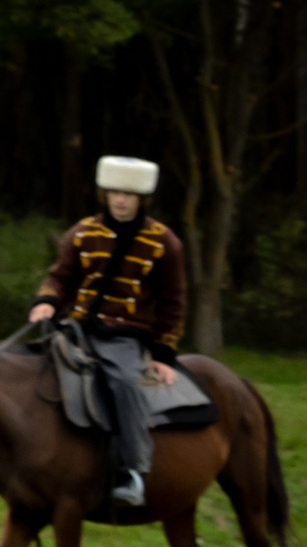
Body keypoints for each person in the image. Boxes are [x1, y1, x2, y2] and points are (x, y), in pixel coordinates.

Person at [29, 155, 189, 507]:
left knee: (123, 383)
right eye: (114, 192)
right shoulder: (83, 232)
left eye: (128, 194)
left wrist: (163, 354)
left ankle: (133, 470)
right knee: (30, 365)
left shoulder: (165, 243)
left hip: (124, 335)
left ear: (141, 199)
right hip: (77, 326)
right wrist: (47, 301)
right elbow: (61, 276)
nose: (120, 200)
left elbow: (173, 301)